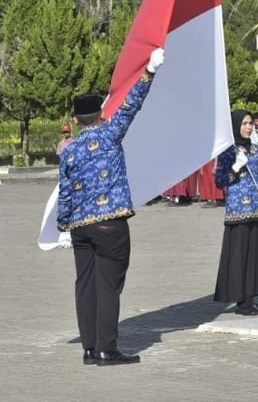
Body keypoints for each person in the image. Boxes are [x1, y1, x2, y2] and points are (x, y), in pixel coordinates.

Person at [57, 47, 164, 367]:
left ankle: (89, 349)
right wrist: (150, 71)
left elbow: (65, 191)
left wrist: (63, 225)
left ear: (76, 119)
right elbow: (132, 104)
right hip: (110, 224)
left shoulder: (69, 149)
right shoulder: (110, 133)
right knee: (108, 287)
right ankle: (107, 348)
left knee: (85, 286)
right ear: (101, 114)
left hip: (79, 227)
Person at [214, 110, 258, 316]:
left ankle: (251, 298)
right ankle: (242, 302)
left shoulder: (257, 150)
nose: (248, 127)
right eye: (244, 123)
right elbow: (220, 181)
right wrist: (235, 168)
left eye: (250, 123)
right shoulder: (228, 151)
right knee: (240, 257)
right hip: (239, 211)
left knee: (256, 257)